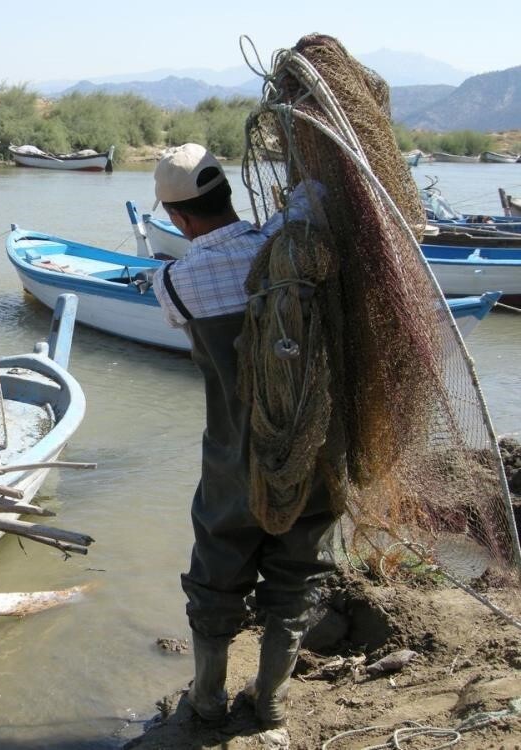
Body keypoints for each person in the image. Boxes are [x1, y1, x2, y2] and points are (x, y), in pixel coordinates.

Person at [149, 144, 337, 728]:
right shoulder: (289, 243)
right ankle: (272, 700)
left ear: (178, 218)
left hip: (233, 455)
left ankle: (207, 700)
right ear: (228, 193)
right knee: (298, 566)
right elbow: (316, 191)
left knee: (216, 566)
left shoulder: (174, 283)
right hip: (313, 446)